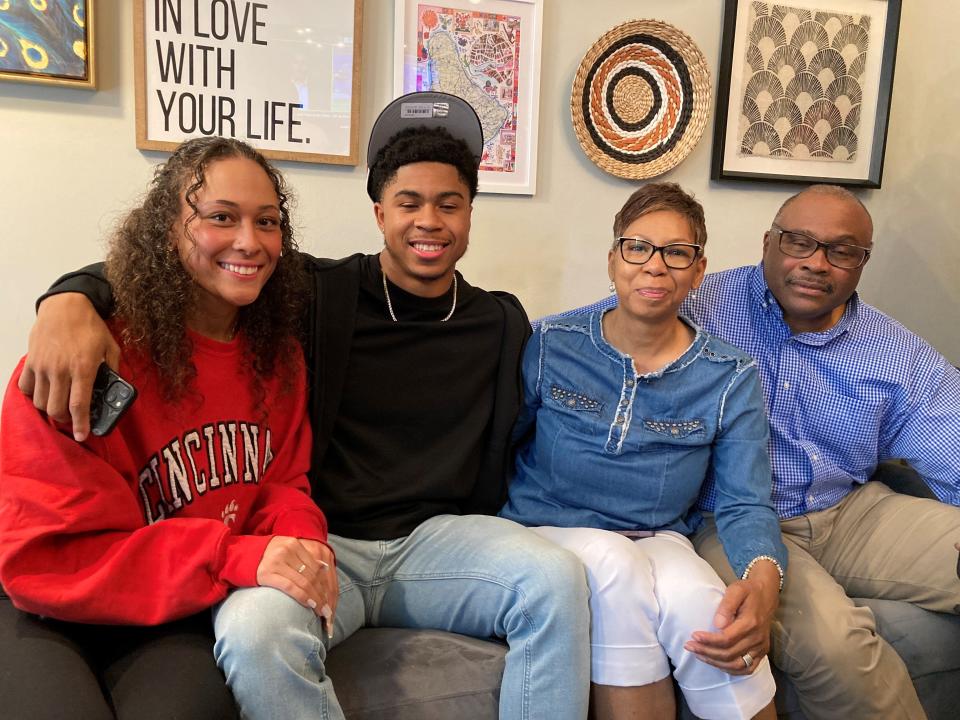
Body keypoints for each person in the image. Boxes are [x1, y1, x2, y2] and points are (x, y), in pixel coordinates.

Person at [15, 92, 591, 720]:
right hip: (325, 541)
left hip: (433, 544)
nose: (429, 220)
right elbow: (203, 266)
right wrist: (68, 298)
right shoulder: (313, 293)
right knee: (257, 630)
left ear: (471, 215)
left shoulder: (501, 320)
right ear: (379, 213)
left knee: (556, 580)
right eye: (408, 202)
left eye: (449, 204)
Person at [542, 184, 960, 719]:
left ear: (861, 262)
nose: (816, 263)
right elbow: (589, 333)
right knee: (839, 647)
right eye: (799, 242)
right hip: (728, 519)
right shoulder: (697, 298)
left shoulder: (893, 349)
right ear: (768, 243)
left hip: (853, 513)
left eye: (841, 251)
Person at [0, 137, 336, 720]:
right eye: (220, 217)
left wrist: (303, 543)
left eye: (268, 221)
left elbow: (283, 483)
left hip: (169, 613)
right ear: (167, 230)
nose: (249, 242)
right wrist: (232, 556)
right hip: (46, 608)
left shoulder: (278, 359)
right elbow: (49, 558)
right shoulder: (82, 353)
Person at [500, 183, 784, 720]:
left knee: (706, 605)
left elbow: (746, 500)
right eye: (637, 247)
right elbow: (497, 444)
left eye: (676, 252)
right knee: (614, 565)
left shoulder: (730, 375)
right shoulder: (551, 343)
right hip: (547, 529)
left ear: (698, 272)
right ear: (613, 260)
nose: (655, 266)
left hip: (656, 537)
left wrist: (763, 578)